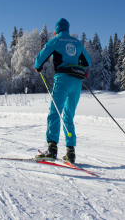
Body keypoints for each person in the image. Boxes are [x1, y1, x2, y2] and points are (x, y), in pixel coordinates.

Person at [34, 18, 91, 164]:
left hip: (62, 81)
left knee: (55, 113)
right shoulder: (77, 42)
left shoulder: (56, 41)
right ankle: (70, 152)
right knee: (68, 116)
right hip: (76, 83)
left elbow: (40, 58)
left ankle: (52, 149)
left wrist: (38, 67)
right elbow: (87, 62)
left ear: (56, 31)